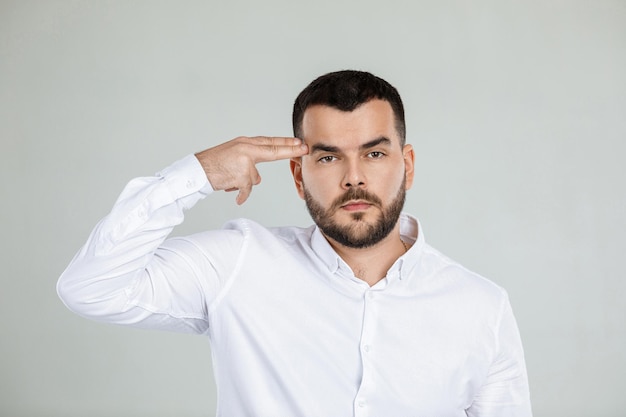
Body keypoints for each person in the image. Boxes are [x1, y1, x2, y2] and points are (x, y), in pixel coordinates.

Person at [57, 70, 532, 416]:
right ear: (298, 175)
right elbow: (90, 287)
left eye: (374, 153)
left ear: (406, 164)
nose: (354, 178)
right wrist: (196, 175)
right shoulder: (239, 266)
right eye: (328, 158)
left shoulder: (480, 307)